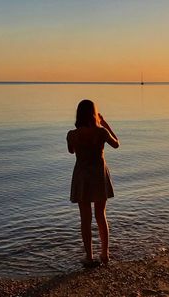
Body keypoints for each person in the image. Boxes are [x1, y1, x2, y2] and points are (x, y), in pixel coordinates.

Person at [66, 99, 119, 267]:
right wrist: (104, 123)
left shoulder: (72, 134)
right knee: (100, 216)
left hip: (82, 177)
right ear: (94, 113)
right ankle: (105, 254)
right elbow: (116, 144)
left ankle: (89, 256)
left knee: (85, 219)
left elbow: (71, 150)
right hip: (98, 176)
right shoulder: (101, 132)